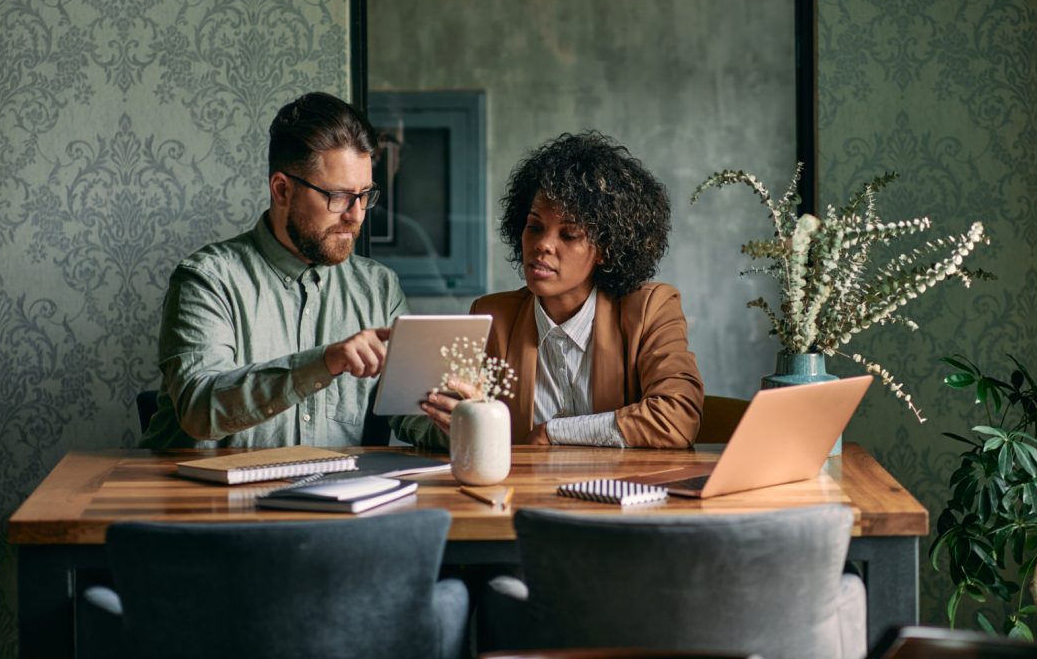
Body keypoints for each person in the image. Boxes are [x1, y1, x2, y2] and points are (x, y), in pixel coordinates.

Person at [399, 132, 703, 448]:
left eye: (569, 234)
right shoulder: (492, 317)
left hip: (620, 491)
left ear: (606, 249)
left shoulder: (651, 309)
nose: (542, 245)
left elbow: (677, 417)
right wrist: (460, 421)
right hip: (523, 493)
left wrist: (553, 432)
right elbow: (431, 422)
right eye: (534, 227)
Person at [140, 92, 406, 449]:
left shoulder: (379, 289)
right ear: (282, 190)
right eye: (339, 196)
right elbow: (200, 408)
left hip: (335, 500)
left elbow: (409, 411)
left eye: (364, 195)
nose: (356, 215)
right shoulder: (206, 280)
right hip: (206, 501)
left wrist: (450, 415)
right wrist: (324, 362)